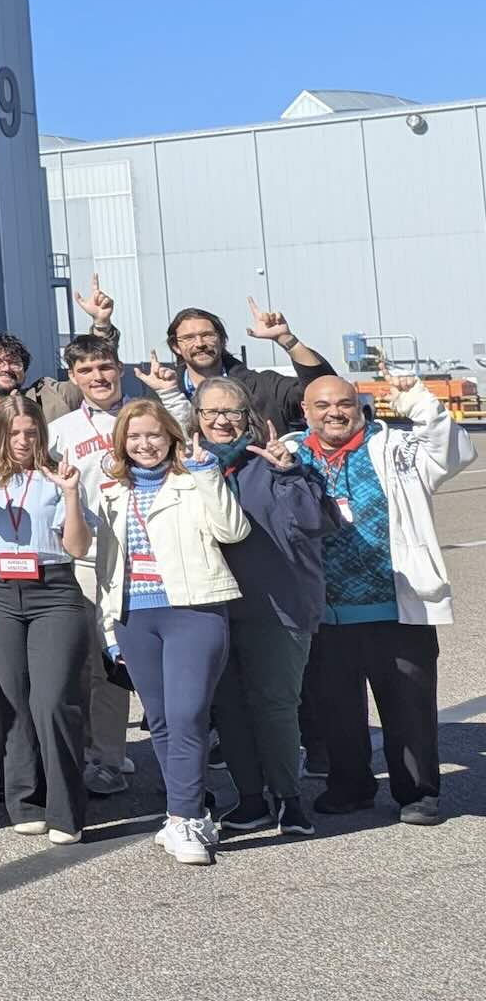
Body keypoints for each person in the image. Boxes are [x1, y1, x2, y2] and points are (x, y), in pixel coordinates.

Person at [293, 370, 468, 824]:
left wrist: (419, 402)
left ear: (360, 405)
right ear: (305, 412)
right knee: (335, 711)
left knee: (409, 707)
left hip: (396, 606)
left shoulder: (397, 448)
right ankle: (349, 786)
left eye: (344, 404)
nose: (335, 413)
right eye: (323, 406)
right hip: (323, 613)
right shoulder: (291, 454)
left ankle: (418, 793)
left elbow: (450, 450)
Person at [85, 400, 247, 865]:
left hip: (193, 610)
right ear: (121, 443)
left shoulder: (194, 480)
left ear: (172, 436)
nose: (144, 444)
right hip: (135, 617)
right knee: (159, 720)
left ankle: (186, 818)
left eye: (153, 435)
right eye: (134, 437)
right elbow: (104, 570)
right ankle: (182, 814)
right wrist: (109, 630)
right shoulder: (113, 491)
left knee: (188, 715)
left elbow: (233, 531)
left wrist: (208, 473)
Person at [45, 332, 191, 798]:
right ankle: (108, 757)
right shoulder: (62, 430)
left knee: (152, 659)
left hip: (151, 556)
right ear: (73, 378)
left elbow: (188, 440)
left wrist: (169, 392)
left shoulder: (149, 416)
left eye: (104, 366)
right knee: (99, 662)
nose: (98, 376)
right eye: (85, 370)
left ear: (119, 368)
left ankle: (183, 748)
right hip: (90, 558)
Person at [0, 401, 95, 843]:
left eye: (31, 433)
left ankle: (66, 810)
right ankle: (25, 800)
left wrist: (71, 494)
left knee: (53, 700)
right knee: (12, 700)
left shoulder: (58, 478)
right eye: (14, 433)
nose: (22, 442)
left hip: (53, 589)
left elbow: (76, 546)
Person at [197, 379, 327, 837]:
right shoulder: (192, 470)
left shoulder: (273, 462)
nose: (220, 420)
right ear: (197, 419)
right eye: (210, 412)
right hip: (214, 609)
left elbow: (313, 522)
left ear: (247, 416)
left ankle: (289, 800)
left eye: (231, 411)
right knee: (228, 708)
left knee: (274, 706)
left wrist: (290, 472)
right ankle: (250, 798)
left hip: (277, 605)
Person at [155, 299, 338, 437]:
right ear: (175, 346)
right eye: (188, 338)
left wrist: (287, 340)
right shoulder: (162, 397)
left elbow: (325, 390)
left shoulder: (263, 387)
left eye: (207, 335)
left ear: (222, 340)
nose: (200, 343)